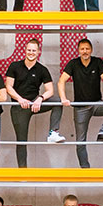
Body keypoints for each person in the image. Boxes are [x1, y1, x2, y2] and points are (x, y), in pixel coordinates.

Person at [60, 38, 103, 169]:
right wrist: (63, 98)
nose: (85, 51)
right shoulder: (73, 63)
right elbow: (61, 81)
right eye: (82, 49)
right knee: (80, 142)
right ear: (78, 51)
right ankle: (85, 169)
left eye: (87, 49)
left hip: (96, 104)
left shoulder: (98, 62)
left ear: (91, 50)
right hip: (80, 108)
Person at [4, 39, 65, 169]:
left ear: (38, 52)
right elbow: (8, 87)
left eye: (34, 50)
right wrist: (20, 99)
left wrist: (40, 98)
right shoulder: (15, 66)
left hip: (34, 104)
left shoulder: (42, 69)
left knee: (58, 102)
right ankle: (23, 172)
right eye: (29, 50)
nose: (31, 53)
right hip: (19, 107)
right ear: (25, 51)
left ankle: (53, 133)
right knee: (21, 141)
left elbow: (50, 90)